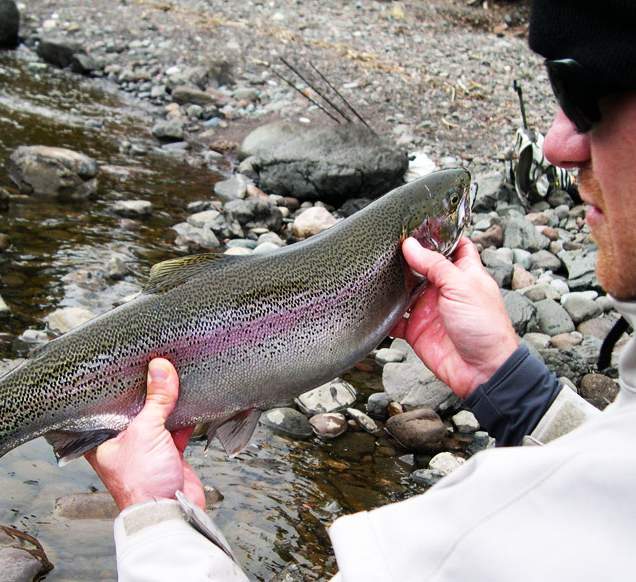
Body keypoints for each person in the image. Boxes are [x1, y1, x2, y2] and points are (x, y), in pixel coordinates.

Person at [86, 1, 636, 579]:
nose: (554, 145)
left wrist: (152, 517)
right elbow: (604, 471)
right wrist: (515, 388)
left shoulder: (480, 543)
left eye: (579, 92)